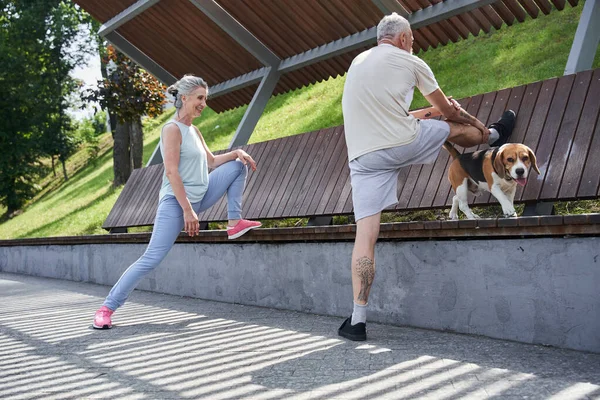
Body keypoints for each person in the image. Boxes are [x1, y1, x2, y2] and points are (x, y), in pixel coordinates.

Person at [338, 13, 516, 341]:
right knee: (453, 128)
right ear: (404, 38)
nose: (413, 44)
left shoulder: (357, 63)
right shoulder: (411, 61)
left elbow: (399, 114)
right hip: (401, 142)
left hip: (363, 159)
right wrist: (474, 123)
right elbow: (448, 111)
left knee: (365, 238)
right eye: (413, 39)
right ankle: (494, 136)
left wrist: (430, 115)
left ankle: (357, 321)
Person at [93, 75, 262, 329]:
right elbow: (171, 172)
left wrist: (237, 152)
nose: (204, 103)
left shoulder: (194, 130)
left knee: (239, 166)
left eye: (205, 98)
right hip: (176, 203)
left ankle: (234, 222)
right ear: (184, 98)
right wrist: (187, 210)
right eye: (200, 98)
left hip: (201, 195)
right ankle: (107, 308)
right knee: (151, 258)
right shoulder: (171, 130)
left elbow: (212, 162)